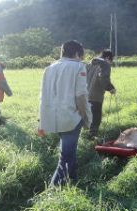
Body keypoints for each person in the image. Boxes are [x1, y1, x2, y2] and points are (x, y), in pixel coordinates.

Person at [38, 40, 92, 186]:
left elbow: (43, 96)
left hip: (52, 117)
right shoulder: (78, 67)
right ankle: (52, 191)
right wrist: (86, 118)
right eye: (81, 55)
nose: (81, 58)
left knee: (70, 151)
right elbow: (80, 96)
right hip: (70, 117)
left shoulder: (49, 68)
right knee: (66, 156)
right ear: (77, 53)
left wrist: (41, 120)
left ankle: (73, 180)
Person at [86, 49, 116, 138]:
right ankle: (92, 138)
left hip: (85, 94)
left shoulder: (90, 64)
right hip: (96, 95)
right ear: (107, 58)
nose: (110, 63)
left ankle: (86, 136)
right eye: (111, 61)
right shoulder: (105, 64)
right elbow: (103, 77)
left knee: (87, 117)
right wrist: (110, 88)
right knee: (96, 117)